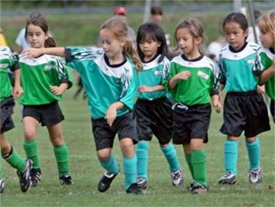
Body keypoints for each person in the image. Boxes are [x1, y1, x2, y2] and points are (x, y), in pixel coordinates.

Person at [23, 17, 143, 194]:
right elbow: (68, 51)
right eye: (102, 41)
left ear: (122, 42)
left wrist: (114, 107)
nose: (104, 46)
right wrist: (42, 51)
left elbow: (128, 95)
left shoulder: (127, 69)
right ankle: (112, 170)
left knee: (127, 145)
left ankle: (132, 185)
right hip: (99, 117)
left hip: (123, 114)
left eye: (109, 42)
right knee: (103, 155)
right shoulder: (93, 55)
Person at [166, 18, 222, 194]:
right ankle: (196, 180)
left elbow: (214, 88)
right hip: (180, 109)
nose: (181, 43)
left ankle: (201, 183)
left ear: (197, 40)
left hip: (201, 110)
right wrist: (175, 78)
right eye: (178, 40)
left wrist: (216, 101)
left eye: (185, 39)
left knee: (196, 144)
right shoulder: (175, 63)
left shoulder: (209, 65)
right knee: (187, 147)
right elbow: (168, 86)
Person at [19, 15, 73, 187]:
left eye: (38, 34)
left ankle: (64, 174)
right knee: (28, 134)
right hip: (30, 105)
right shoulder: (21, 59)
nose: (34, 38)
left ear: (46, 35)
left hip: (50, 104)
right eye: (30, 34)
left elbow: (65, 79)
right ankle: (34, 170)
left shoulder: (54, 59)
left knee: (57, 140)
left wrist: (61, 88)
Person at [218, 13, 270, 186]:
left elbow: (262, 74)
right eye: (228, 33)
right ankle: (230, 173)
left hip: (252, 98)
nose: (231, 37)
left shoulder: (256, 51)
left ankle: (255, 168)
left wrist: (262, 85)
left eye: (235, 33)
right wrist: (217, 97)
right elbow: (222, 78)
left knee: (251, 136)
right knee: (231, 135)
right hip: (233, 100)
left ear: (246, 32)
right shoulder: (223, 54)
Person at [135, 23, 183, 190]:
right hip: (142, 106)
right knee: (142, 140)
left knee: (165, 143)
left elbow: (168, 85)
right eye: (142, 42)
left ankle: (176, 170)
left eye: (149, 42)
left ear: (159, 43)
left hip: (162, 106)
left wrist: (150, 88)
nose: (145, 46)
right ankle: (141, 177)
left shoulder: (164, 63)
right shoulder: (135, 62)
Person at [0, 46, 32, 195]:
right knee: (3, 145)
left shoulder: (5, 52)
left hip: (3, 102)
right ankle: (23, 166)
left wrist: (17, 84)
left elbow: (16, 63)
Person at [257, 11, 275, 122]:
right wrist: (272, 68)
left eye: (263, 32)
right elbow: (260, 80)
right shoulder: (263, 54)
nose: (260, 36)